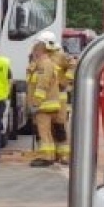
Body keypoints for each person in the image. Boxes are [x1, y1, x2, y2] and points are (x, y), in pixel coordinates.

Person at [29, 38, 67, 168]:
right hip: (48, 104)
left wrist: (36, 102)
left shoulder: (45, 65)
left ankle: (46, 157)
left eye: (34, 51)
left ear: (39, 51)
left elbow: (42, 84)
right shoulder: (45, 64)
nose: (33, 54)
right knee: (48, 132)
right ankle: (49, 156)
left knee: (43, 131)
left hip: (44, 105)